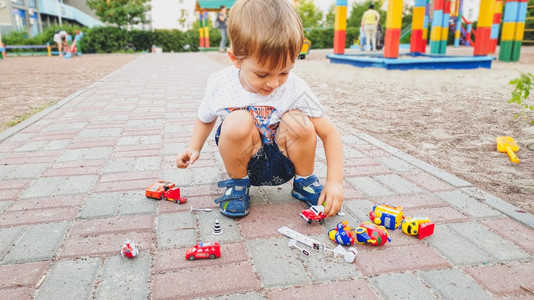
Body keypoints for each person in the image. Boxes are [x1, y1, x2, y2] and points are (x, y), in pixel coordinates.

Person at [176, 0, 344, 218]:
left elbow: (329, 132)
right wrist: (193, 147)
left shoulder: (295, 87)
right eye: (262, 74)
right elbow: (205, 117)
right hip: (245, 159)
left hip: (282, 160)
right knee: (237, 121)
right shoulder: (221, 84)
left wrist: (334, 182)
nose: (274, 83)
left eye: (284, 72)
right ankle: (237, 186)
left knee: (299, 121)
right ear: (235, 58)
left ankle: (304, 182)